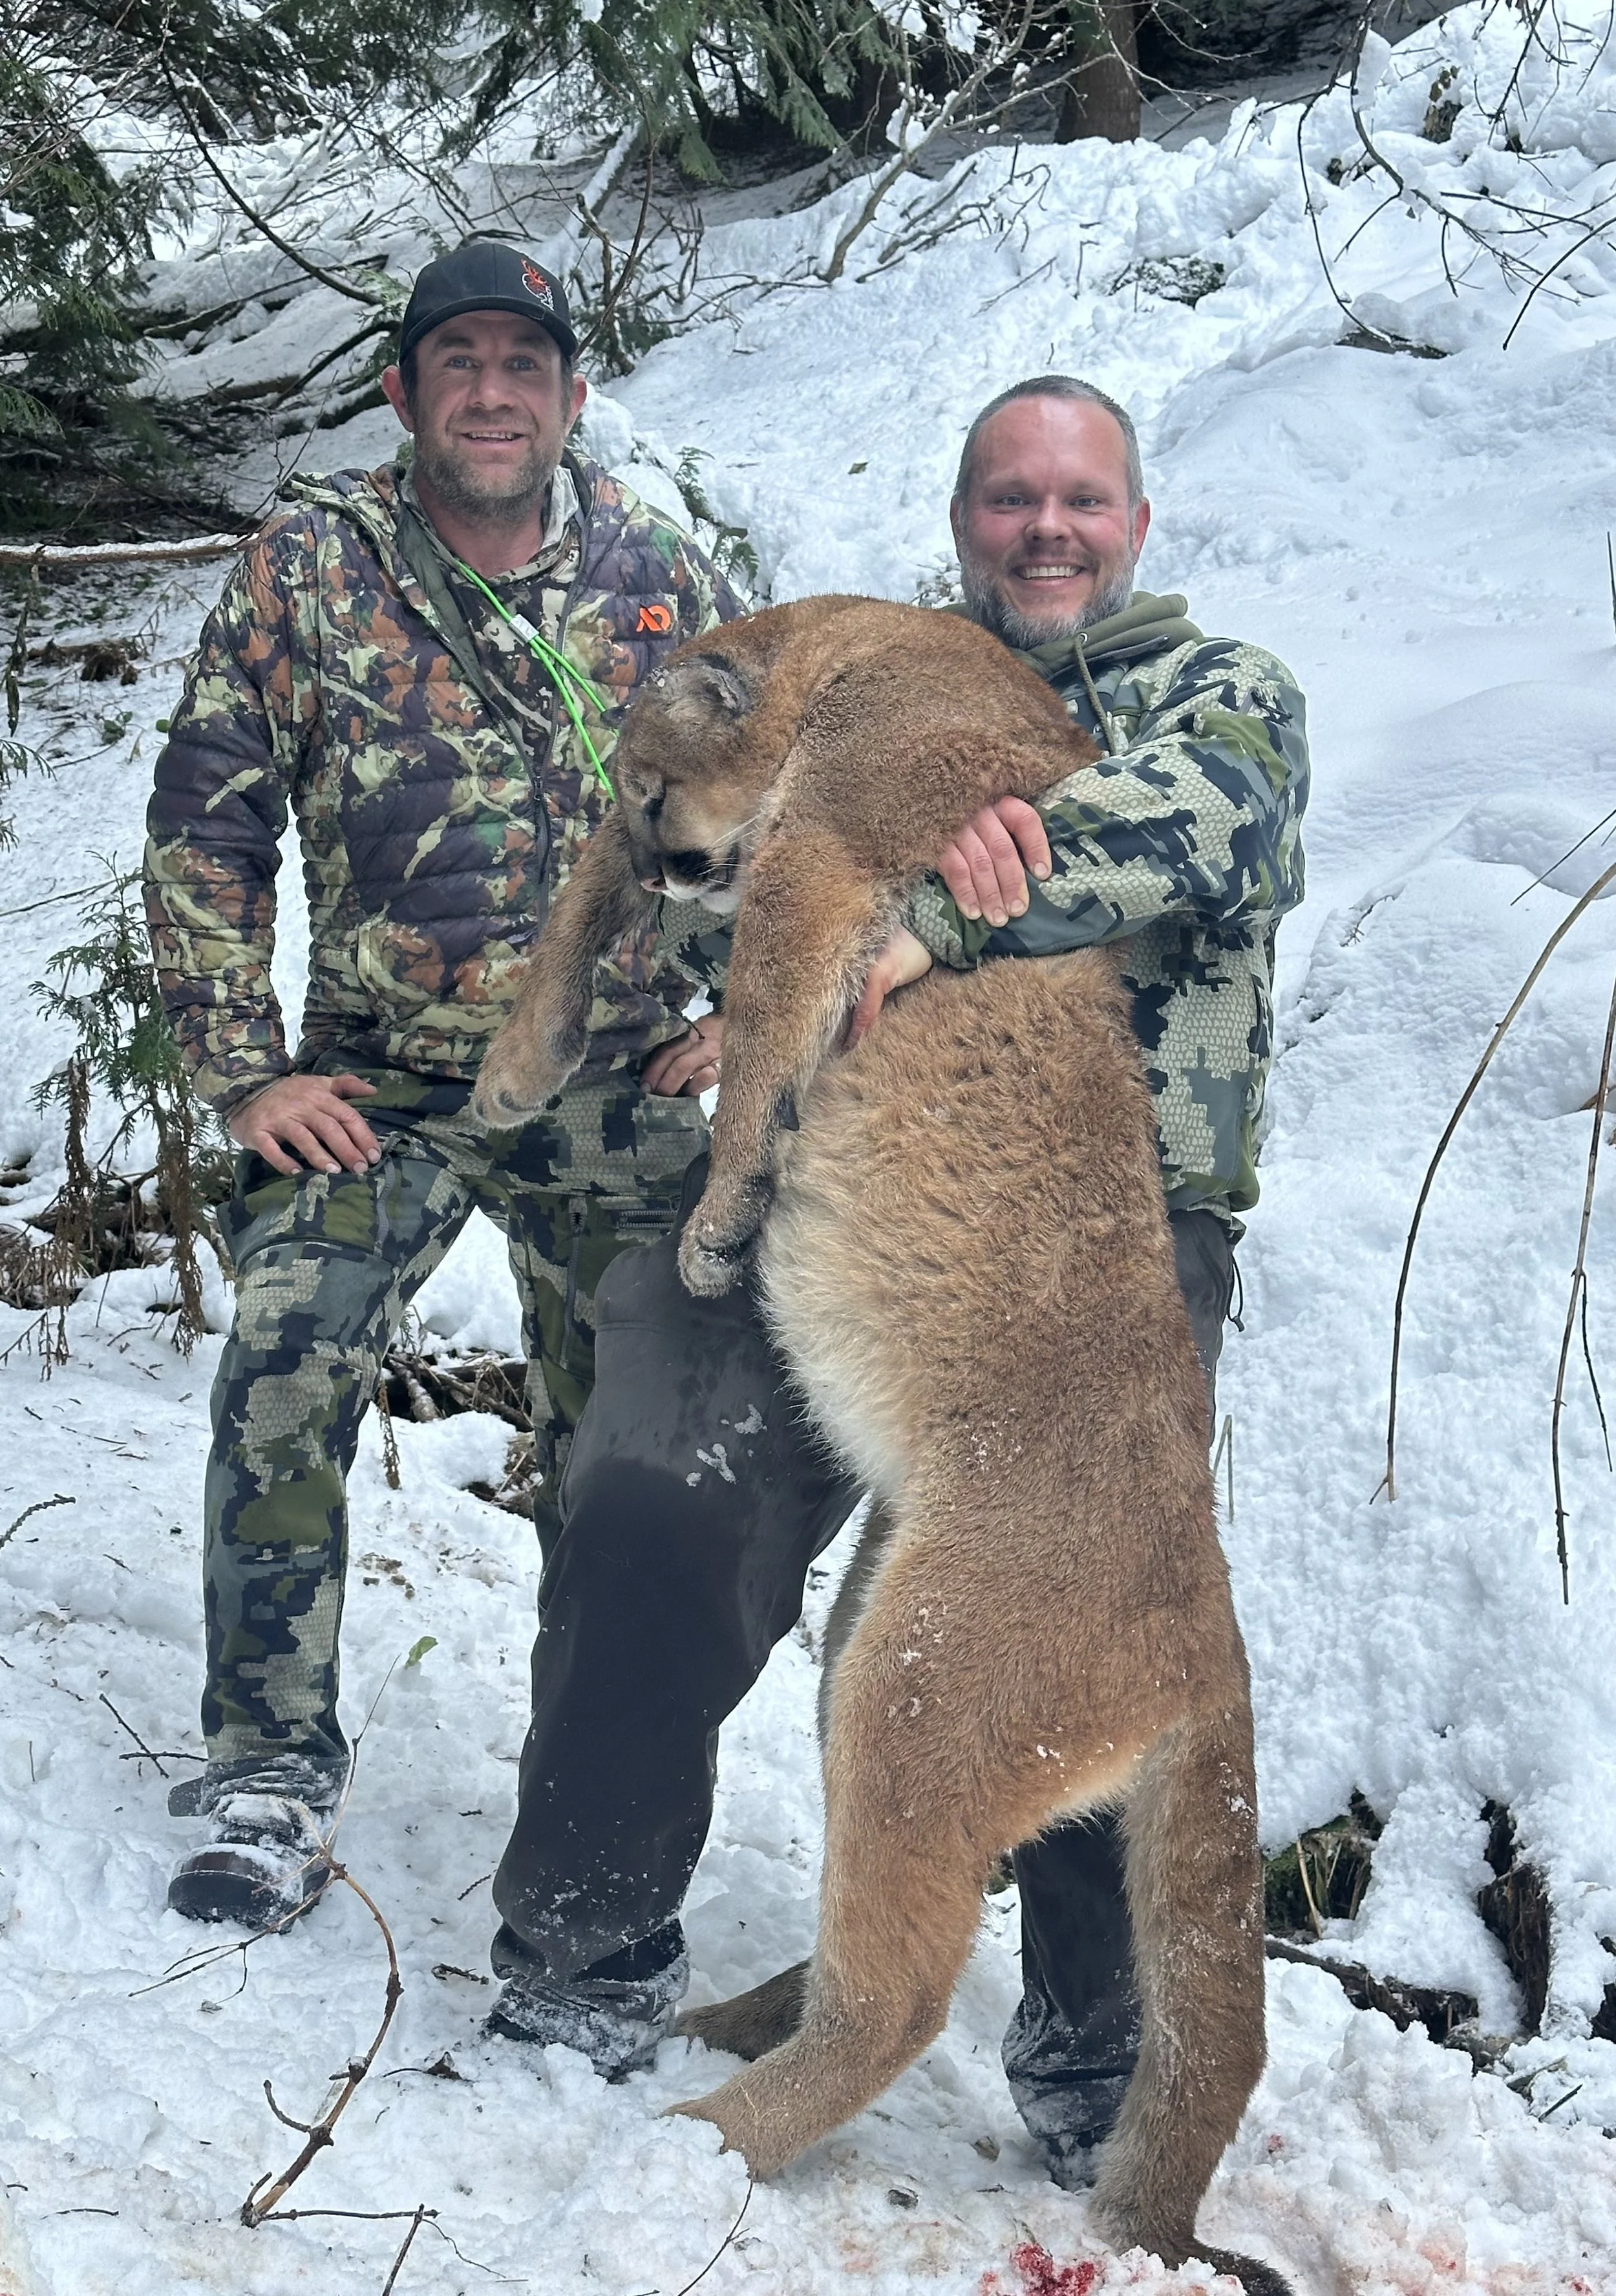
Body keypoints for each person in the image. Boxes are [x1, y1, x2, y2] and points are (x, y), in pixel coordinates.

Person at [471, 371, 1310, 2148]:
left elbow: (1201, 821)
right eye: (1008, 498)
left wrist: (935, 896)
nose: (1046, 527)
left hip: (1105, 1234)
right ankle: (578, 1947)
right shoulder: (862, 683)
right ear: (961, 527)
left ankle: (1088, 2068)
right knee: (651, 1503)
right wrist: (740, 1026)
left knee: (1040, 1630)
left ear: (1137, 525)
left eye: (1080, 497)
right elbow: (743, 902)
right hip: (851, 1195)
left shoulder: (1217, 691)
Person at [144, 237, 743, 1927]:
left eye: (524, 364)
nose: (493, 392)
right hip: (380, 1081)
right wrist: (241, 1065)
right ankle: (266, 1769)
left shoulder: (653, 575)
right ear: (406, 390)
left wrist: (751, 1008)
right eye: (458, 362)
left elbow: (753, 810)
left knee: (629, 1429)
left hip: (611, 1071)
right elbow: (208, 815)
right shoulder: (309, 570)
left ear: (568, 395)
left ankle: (593, 1783)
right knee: (279, 1362)